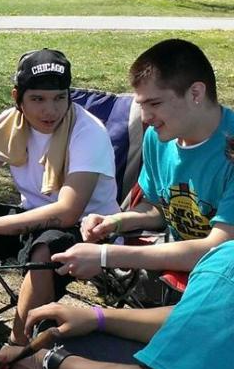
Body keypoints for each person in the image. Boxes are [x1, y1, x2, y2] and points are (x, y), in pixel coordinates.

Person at [0, 49, 119, 356]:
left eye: (59, 98)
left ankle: (17, 349)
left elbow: (68, 211)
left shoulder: (88, 132)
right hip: (29, 219)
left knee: (44, 247)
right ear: (18, 97)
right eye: (38, 99)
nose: (50, 110)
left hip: (88, 231)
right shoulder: (11, 124)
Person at [53, 39, 234, 281]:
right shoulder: (158, 138)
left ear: (195, 93)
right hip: (185, 274)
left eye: (155, 103)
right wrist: (114, 222)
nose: (146, 117)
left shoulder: (229, 149)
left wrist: (107, 256)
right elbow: (156, 208)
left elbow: (217, 248)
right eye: (141, 105)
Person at [0, 239, 234, 369]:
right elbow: (190, 320)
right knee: (67, 339)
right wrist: (97, 317)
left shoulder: (226, 267)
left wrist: (47, 361)